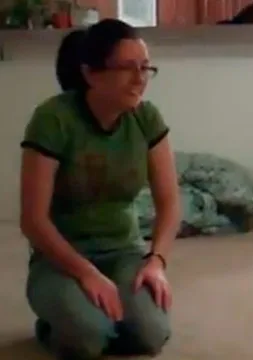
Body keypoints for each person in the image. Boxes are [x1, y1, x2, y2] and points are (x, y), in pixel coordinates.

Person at [19, 18, 181, 359]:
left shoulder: (146, 118)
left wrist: (156, 261)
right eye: (127, 68)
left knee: (151, 334)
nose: (140, 79)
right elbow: (33, 220)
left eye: (146, 67)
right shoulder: (53, 119)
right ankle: (55, 325)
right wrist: (86, 273)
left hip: (123, 252)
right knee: (89, 336)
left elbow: (169, 204)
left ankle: (98, 318)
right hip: (60, 259)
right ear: (91, 74)